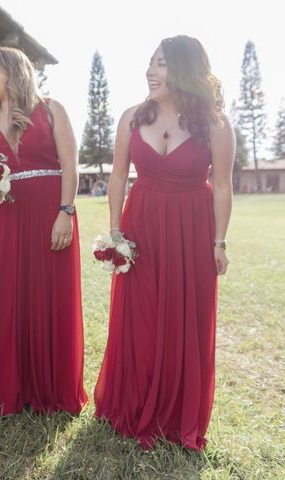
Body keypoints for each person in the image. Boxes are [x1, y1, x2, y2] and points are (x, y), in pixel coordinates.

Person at [94, 35, 234, 450]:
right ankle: (133, 402)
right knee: (141, 314)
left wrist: (219, 241)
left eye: (161, 64)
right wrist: (116, 231)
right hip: (143, 225)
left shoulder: (214, 123)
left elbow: (223, 186)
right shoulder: (132, 117)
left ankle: (177, 413)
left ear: (184, 68)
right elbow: (118, 176)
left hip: (192, 226)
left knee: (185, 316)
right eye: (150, 64)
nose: (150, 72)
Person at [0, 46, 87, 415]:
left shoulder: (51, 109)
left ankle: (51, 386)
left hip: (50, 210)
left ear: (16, 69)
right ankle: (8, 385)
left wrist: (66, 211)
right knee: (7, 294)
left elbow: (70, 164)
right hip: (5, 217)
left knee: (50, 293)